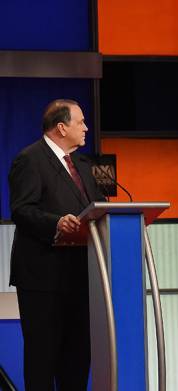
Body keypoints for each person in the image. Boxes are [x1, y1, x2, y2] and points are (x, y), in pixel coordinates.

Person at [9, 99, 106, 390]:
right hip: (43, 279)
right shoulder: (30, 159)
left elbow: (99, 208)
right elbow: (21, 209)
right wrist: (56, 222)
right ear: (62, 127)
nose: (86, 127)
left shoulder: (83, 165)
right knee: (42, 361)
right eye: (81, 122)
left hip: (80, 277)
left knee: (76, 361)